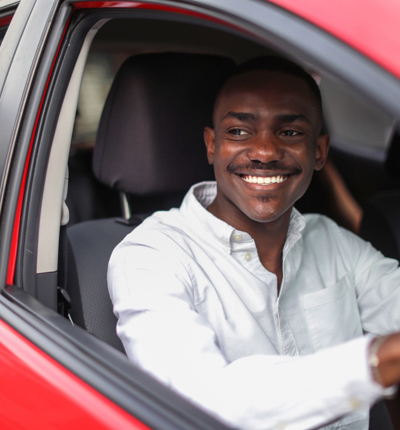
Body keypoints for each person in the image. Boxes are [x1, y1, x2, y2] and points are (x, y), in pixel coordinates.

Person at [108, 56, 400, 430]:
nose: (264, 152)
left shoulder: (333, 241)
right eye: (240, 132)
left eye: (290, 133)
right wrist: (377, 360)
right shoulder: (151, 257)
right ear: (212, 145)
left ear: (320, 151)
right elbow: (200, 404)